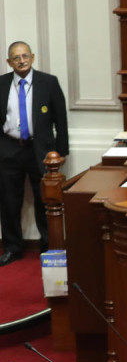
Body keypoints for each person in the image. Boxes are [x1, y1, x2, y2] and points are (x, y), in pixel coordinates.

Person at [1, 41, 68, 266]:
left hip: (41, 151)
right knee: (9, 203)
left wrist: (60, 152)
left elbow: (61, 120)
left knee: (45, 200)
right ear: (9, 62)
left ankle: (48, 247)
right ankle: (12, 248)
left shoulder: (48, 82)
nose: (21, 60)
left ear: (33, 57)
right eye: (16, 57)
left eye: (25, 55)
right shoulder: (1, 84)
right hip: (9, 150)